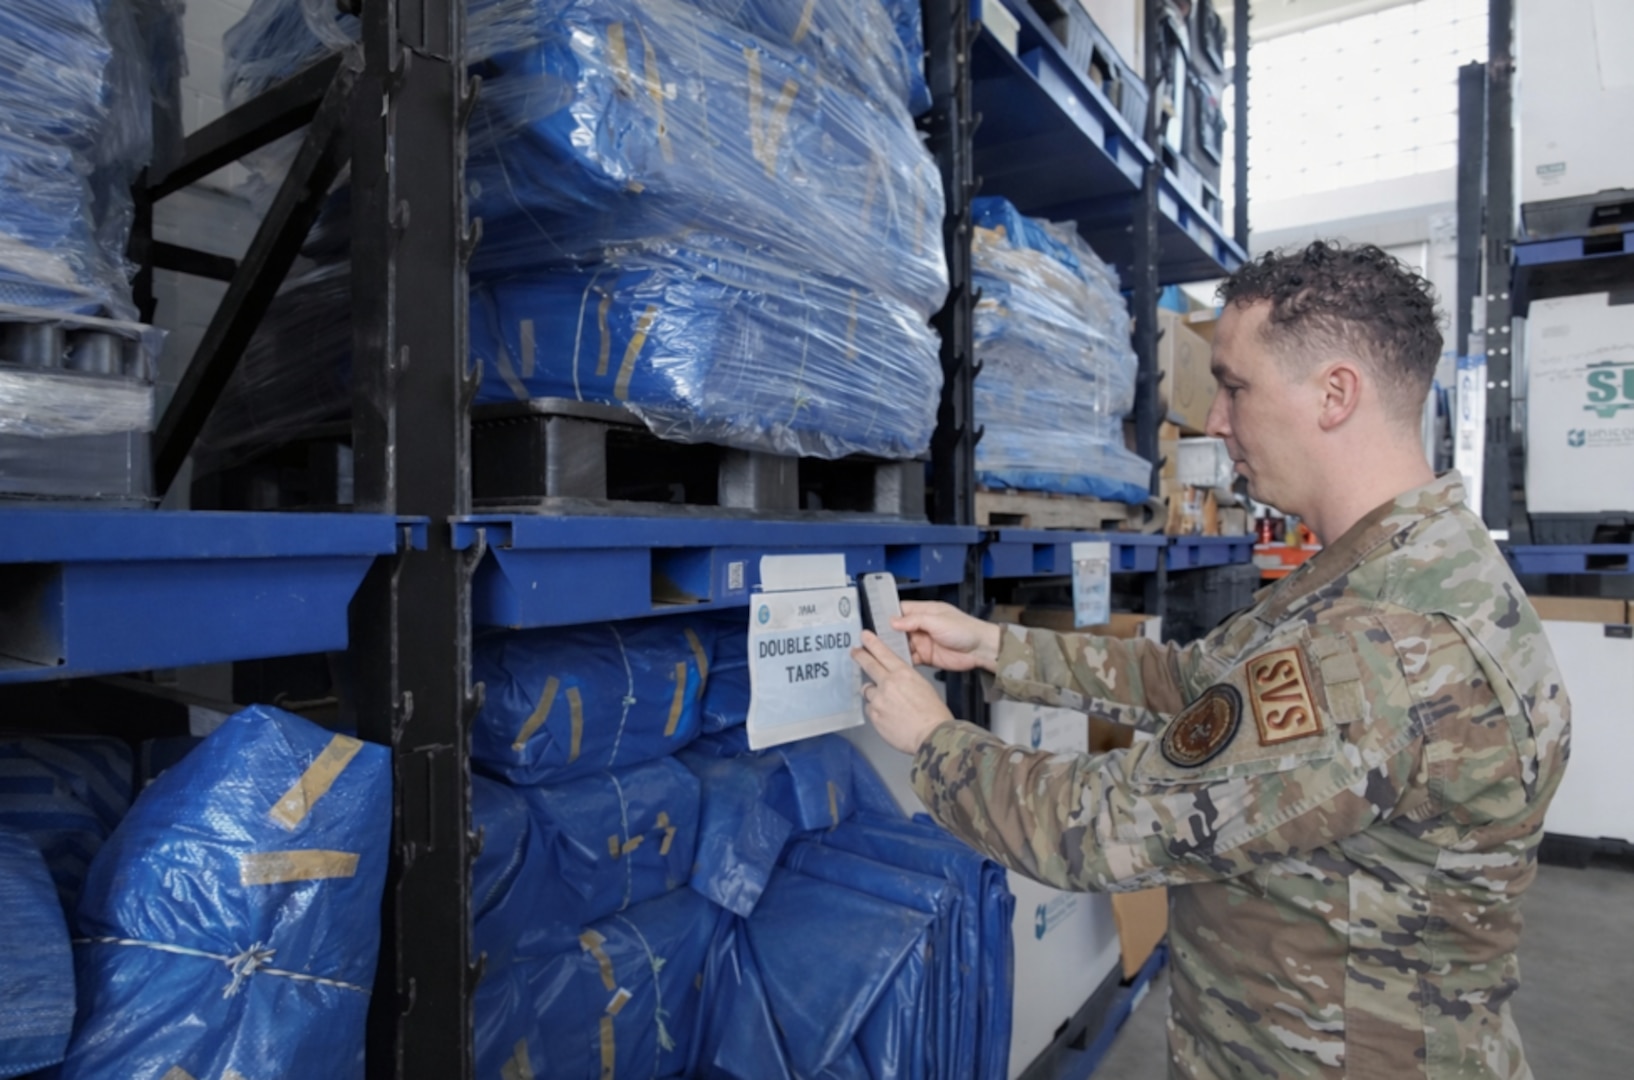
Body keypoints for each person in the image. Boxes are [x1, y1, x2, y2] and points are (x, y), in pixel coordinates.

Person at [852, 241, 1569, 1079]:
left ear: (1335, 394)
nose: (1216, 421)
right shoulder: (1398, 566)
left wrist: (933, 739)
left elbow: (1104, 830)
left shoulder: (1379, 644)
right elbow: (1198, 686)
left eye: (1235, 387)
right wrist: (998, 647)